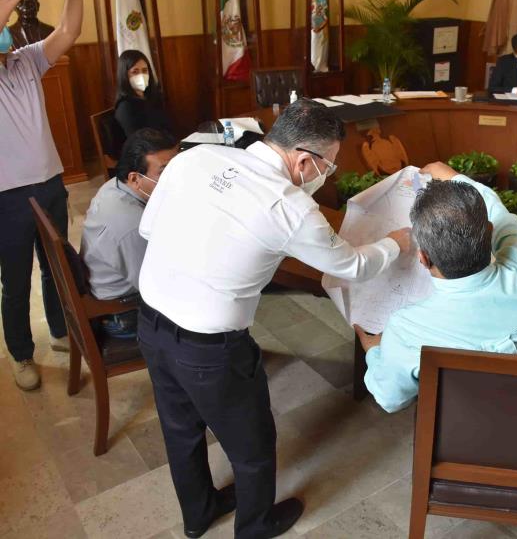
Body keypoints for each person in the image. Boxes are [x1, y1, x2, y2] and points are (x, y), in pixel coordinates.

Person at [136, 98, 411, 538]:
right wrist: (398, 241)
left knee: (180, 428)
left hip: (150, 323)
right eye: (328, 166)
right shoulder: (291, 207)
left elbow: (149, 229)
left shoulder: (197, 156)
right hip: (210, 347)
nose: (326, 176)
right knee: (252, 445)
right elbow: (352, 266)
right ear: (304, 160)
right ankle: (255, 526)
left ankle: (199, 512)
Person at [356, 161, 517, 413]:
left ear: (424, 258)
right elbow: (500, 212)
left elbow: (390, 399)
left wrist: (374, 351)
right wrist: (455, 176)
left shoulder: (406, 329)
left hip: (465, 433)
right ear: (490, 233)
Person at [0, 0, 82, 391]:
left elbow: (68, 30)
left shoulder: (27, 58)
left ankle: (59, 330)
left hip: (50, 183)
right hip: (7, 197)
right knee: (16, 281)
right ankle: (20, 354)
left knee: (56, 269)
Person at [80, 128, 177, 338]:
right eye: (164, 171)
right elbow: (159, 288)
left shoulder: (113, 186)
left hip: (117, 288)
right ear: (135, 178)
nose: (175, 177)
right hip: (123, 314)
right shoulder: (132, 226)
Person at [114, 49, 170, 138]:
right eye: (135, 72)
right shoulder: (125, 106)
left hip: (164, 147)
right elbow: (138, 143)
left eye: (145, 70)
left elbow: (165, 128)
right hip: (146, 150)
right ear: (124, 75)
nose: (141, 76)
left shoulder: (151, 98)